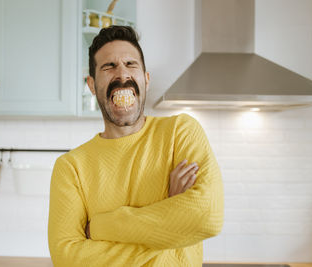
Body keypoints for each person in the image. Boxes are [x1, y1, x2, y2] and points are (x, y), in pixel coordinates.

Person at [48, 25, 224, 266]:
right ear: (91, 85)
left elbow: (208, 216)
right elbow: (67, 258)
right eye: (108, 66)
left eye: (131, 64)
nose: (122, 74)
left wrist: (100, 226)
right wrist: (169, 218)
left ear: (146, 79)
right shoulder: (71, 167)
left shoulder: (180, 132)